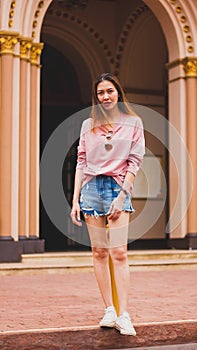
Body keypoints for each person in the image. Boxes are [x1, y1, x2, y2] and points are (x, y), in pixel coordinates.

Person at [70, 73, 145, 336]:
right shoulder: (87, 125)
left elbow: (135, 162)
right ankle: (109, 309)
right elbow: (81, 161)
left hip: (117, 188)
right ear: (96, 97)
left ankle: (124, 314)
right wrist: (75, 200)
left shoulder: (133, 123)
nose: (105, 96)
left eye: (110, 91)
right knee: (99, 252)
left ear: (118, 93)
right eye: (101, 92)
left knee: (119, 252)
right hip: (91, 189)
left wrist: (122, 196)